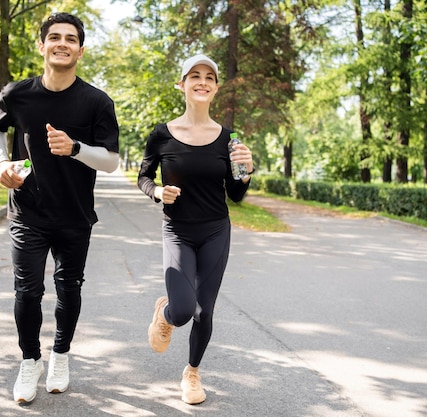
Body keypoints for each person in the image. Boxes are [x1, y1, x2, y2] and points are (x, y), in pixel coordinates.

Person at [0, 12, 119, 403]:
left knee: (68, 288)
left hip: (75, 215)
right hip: (28, 211)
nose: (62, 43)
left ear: (80, 48)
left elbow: (111, 161)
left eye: (71, 38)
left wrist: (75, 148)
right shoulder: (17, 93)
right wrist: (1, 164)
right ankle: (30, 361)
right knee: (27, 291)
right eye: (54, 37)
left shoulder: (96, 101)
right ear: (41, 45)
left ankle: (60, 354)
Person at [137, 54, 255, 405]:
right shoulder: (161, 134)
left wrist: (245, 172)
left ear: (216, 88)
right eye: (194, 76)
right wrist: (158, 191)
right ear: (182, 85)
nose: (202, 82)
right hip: (177, 231)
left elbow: (236, 194)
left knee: (205, 309)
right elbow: (143, 177)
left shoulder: (229, 139)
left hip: (216, 230)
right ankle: (166, 313)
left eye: (209, 77)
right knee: (184, 310)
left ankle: (191, 372)